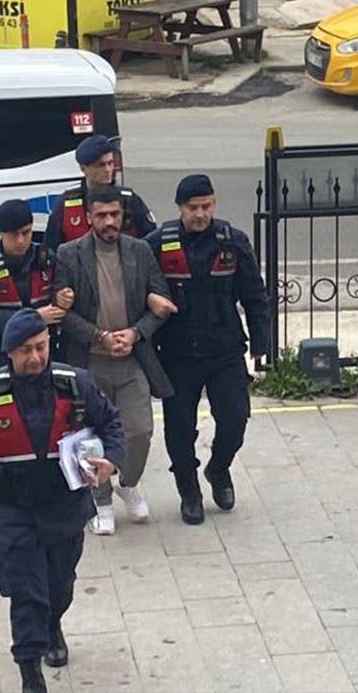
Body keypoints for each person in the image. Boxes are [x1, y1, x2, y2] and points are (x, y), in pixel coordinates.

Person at [0, 308, 123, 693]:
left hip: (64, 509)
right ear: (9, 353)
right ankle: (29, 673)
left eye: (40, 347)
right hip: (13, 513)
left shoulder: (76, 384)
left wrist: (111, 460)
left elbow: (111, 424)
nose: (35, 357)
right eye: (25, 350)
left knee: (59, 586)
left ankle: (53, 625)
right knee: (26, 594)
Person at [145, 174, 270, 525]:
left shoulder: (233, 242)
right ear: (179, 208)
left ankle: (218, 468)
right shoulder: (157, 244)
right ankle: (189, 491)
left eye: (206, 206)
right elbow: (138, 291)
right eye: (192, 208)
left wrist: (261, 342)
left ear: (214, 204)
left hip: (224, 349)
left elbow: (255, 295)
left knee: (235, 418)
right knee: (179, 430)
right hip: (177, 353)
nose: (200, 214)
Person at [54, 186, 175, 535]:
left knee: (140, 430)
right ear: (88, 217)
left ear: (123, 215)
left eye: (115, 215)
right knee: (90, 436)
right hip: (89, 361)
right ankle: (101, 499)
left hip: (132, 359)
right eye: (102, 215)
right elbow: (64, 313)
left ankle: (128, 483)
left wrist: (135, 334)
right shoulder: (69, 254)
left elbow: (161, 302)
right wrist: (100, 336)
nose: (109, 222)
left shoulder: (140, 251)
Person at [0, 199, 74, 380]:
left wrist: (63, 297)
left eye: (26, 232)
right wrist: (35, 317)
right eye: (13, 235)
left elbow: (60, 300)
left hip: (44, 355)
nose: (21, 240)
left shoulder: (47, 259)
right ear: (1, 233)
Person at [41, 135, 155, 252]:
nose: (107, 170)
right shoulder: (66, 203)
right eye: (101, 165)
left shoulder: (129, 200)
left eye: (110, 163)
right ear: (83, 168)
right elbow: (51, 248)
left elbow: (150, 243)